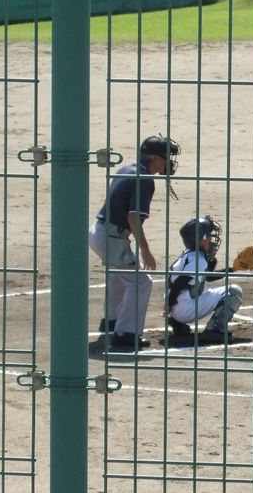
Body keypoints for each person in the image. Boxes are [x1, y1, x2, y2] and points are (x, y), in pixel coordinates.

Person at [88, 134, 181, 350]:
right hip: (111, 237)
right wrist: (145, 251)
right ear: (155, 158)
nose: (169, 162)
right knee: (141, 282)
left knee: (119, 277)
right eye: (166, 157)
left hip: (98, 232)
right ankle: (126, 333)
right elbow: (133, 218)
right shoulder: (144, 179)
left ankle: (111, 322)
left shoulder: (127, 169)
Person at [165, 216, 244, 345]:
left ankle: (177, 323)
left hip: (178, 305)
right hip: (183, 307)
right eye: (209, 236)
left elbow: (206, 277)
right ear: (201, 239)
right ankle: (214, 330)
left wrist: (232, 269)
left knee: (202, 290)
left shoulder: (189, 254)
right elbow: (180, 282)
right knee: (233, 292)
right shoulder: (198, 260)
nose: (212, 240)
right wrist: (168, 305)